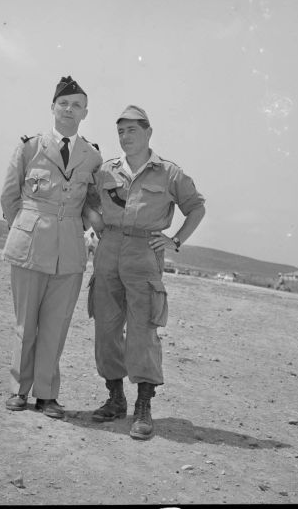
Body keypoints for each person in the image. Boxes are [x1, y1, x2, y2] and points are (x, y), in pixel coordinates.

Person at [86, 105, 205, 440]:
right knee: (106, 328)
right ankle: (115, 397)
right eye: (120, 131)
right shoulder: (106, 170)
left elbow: (196, 207)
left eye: (132, 130)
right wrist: (97, 227)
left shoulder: (168, 173)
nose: (125, 137)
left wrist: (176, 240)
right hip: (108, 251)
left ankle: (143, 406)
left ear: (148, 132)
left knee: (143, 330)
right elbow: (87, 200)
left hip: (144, 253)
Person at [0, 75, 102, 418]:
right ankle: (19, 390)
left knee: (56, 325)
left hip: (70, 252)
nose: (69, 110)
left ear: (85, 112)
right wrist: (28, 226)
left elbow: (92, 204)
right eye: (64, 104)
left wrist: (73, 226)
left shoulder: (92, 156)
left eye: (76, 105)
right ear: (53, 108)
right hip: (30, 244)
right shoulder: (30, 147)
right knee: (25, 323)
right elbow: (9, 196)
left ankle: (46, 395)